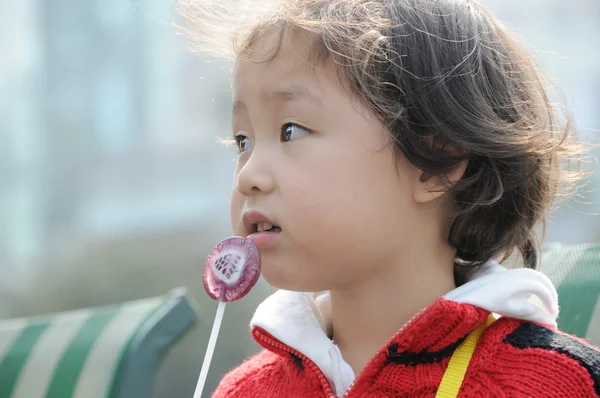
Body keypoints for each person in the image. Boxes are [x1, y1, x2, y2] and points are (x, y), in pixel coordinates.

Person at [180, 0, 600, 396]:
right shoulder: (244, 390)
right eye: (243, 140)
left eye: (291, 130)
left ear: (435, 161)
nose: (248, 175)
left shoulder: (555, 381)